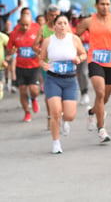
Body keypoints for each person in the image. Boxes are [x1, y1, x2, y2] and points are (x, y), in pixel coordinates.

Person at [39, 15, 86, 153]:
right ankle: (56, 143)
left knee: (70, 115)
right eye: (59, 23)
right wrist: (44, 65)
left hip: (70, 80)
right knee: (55, 112)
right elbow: (41, 59)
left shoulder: (74, 39)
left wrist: (79, 58)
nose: (62, 25)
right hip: (53, 79)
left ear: (68, 25)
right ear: (54, 26)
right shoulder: (48, 41)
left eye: (65, 23)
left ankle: (65, 121)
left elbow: (84, 54)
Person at [76, 0, 111, 143]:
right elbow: (75, 36)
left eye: (108, 4)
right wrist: (80, 49)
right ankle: (101, 129)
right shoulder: (88, 21)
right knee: (99, 93)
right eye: (102, 4)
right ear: (96, 6)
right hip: (95, 60)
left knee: (104, 98)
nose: (105, 7)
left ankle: (92, 111)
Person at [6, 13, 41, 122]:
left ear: (31, 24)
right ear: (18, 23)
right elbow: (8, 49)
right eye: (22, 25)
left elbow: (45, 43)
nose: (25, 27)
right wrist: (11, 51)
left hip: (34, 66)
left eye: (27, 25)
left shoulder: (37, 31)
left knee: (34, 90)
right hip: (20, 67)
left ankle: (34, 99)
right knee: (22, 91)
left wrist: (40, 53)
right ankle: (27, 112)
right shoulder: (14, 34)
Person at [32, 4, 60, 129]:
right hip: (48, 66)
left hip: (62, 64)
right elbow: (34, 45)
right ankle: (50, 116)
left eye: (56, 15)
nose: (54, 17)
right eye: (52, 15)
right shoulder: (43, 29)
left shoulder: (63, 27)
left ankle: (59, 114)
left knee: (62, 92)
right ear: (47, 15)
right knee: (50, 93)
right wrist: (41, 53)